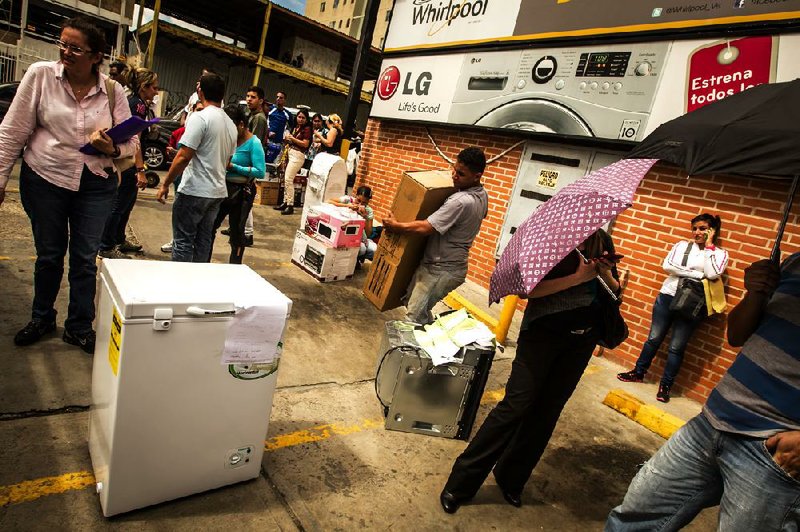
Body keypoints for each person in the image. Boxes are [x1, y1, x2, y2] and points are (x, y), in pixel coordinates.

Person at [606, 253, 800, 531]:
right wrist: (756, 293)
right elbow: (736, 335)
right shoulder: (794, 263)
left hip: (773, 447)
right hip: (712, 421)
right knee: (633, 518)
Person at [440, 231, 621, 514]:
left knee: (547, 412)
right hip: (543, 335)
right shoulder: (550, 240)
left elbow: (614, 289)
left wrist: (605, 274)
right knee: (516, 406)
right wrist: (579, 277)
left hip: (582, 340)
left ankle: (512, 479)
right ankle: (461, 483)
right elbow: (529, 290)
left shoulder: (602, 242)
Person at [0, 17, 138, 354]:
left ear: (96, 56)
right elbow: (13, 131)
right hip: (45, 176)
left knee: (84, 258)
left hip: (96, 183)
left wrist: (112, 148)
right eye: (63, 44)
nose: (66, 52)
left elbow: (132, 143)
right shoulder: (40, 76)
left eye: (76, 48)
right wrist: (1, 177)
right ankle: (42, 317)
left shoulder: (112, 91)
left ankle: (78, 327)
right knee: (49, 254)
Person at [617, 214, 729, 402]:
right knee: (653, 338)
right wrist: (695, 273)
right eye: (694, 228)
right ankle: (638, 372)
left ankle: (665, 386)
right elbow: (668, 266)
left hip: (691, 303)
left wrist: (709, 246)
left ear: (712, 230)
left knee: (677, 347)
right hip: (667, 296)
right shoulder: (681, 246)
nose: (697, 232)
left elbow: (711, 273)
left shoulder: (719, 254)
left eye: (702, 228)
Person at [382, 147, 489, 325]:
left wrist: (397, 226)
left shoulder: (460, 201)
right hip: (451, 266)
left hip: (441, 269)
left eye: (461, 174)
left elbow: (426, 227)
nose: (454, 175)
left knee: (413, 318)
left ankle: (412, 350)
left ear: (477, 176)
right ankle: (430, 338)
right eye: (454, 169)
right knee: (415, 306)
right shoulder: (482, 195)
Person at [156, 71, 236, 263]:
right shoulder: (230, 124)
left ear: (200, 91)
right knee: (203, 240)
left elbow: (184, 156)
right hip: (216, 192)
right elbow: (225, 160)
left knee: (183, 241)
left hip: (195, 191)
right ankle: (196, 284)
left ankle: (181, 285)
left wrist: (165, 183)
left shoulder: (200, 118)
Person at [98, 66, 159, 259]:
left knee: (127, 203)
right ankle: (106, 246)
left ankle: (118, 239)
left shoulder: (138, 103)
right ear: (144, 87)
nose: (156, 91)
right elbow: (136, 140)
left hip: (130, 161)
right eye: (154, 87)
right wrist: (140, 169)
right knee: (119, 205)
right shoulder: (137, 106)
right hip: (128, 162)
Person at [211, 104, 265, 264]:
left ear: (241, 124)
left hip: (241, 193)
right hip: (222, 188)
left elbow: (260, 171)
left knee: (237, 232)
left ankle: (235, 266)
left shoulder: (254, 143)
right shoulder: (229, 139)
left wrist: (234, 167)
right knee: (210, 226)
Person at [160, 101, 203, 254]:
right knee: (179, 211)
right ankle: (176, 240)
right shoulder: (181, 132)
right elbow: (177, 156)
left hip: (198, 181)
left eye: (203, 110)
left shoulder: (209, 130)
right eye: (198, 110)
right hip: (182, 176)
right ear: (191, 111)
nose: (200, 113)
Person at [275, 108, 311, 215]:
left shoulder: (307, 129)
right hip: (290, 153)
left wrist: (293, 139)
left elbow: (305, 144)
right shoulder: (296, 127)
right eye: (299, 117)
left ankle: (290, 205)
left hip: (298, 155)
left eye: (303, 118)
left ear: (306, 119)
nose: (300, 119)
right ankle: (285, 202)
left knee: (288, 179)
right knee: (285, 179)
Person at [328, 185, 376, 263]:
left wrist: (365, 217)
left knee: (374, 250)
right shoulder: (348, 200)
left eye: (364, 203)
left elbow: (368, 233)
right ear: (356, 196)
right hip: (343, 234)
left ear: (368, 202)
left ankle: (357, 259)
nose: (360, 204)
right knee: (362, 249)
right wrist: (347, 206)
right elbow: (329, 201)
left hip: (359, 237)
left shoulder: (368, 210)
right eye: (358, 200)